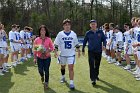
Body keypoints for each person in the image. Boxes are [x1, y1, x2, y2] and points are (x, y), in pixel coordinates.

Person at [54, 19, 80, 90]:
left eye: (68, 25)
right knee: (63, 67)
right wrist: (55, 51)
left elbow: (76, 43)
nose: (67, 26)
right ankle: (63, 77)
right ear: (63, 26)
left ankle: (71, 83)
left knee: (71, 68)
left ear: (70, 26)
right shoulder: (60, 34)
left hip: (71, 54)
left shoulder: (73, 34)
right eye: (66, 25)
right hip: (62, 54)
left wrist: (79, 51)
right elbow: (56, 44)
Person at [82, 20, 106, 86]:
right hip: (91, 51)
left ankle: (96, 75)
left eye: (94, 24)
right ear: (90, 25)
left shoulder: (100, 32)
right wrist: (83, 48)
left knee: (97, 64)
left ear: (96, 24)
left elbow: (104, 39)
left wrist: (104, 45)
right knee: (91, 64)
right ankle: (93, 79)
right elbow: (84, 41)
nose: (93, 25)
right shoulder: (88, 33)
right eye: (92, 24)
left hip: (99, 51)